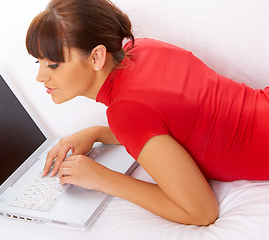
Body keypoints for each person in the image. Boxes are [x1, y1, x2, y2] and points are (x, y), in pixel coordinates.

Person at [25, 0, 269, 226]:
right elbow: (173, 123)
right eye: (39, 62)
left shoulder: (125, 112)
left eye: (53, 64)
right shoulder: (144, 47)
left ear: (97, 56)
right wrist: (97, 133)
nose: (41, 77)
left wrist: (102, 179)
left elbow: (202, 212)